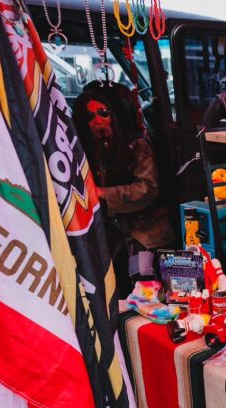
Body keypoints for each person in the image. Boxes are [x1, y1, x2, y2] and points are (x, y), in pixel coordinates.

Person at [73, 82, 176, 296]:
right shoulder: (85, 152)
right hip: (110, 233)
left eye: (103, 113)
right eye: (90, 117)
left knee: (145, 287)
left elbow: (147, 188)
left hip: (145, 231)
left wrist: (102, 194)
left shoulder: (136, 145)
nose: (98, 121)